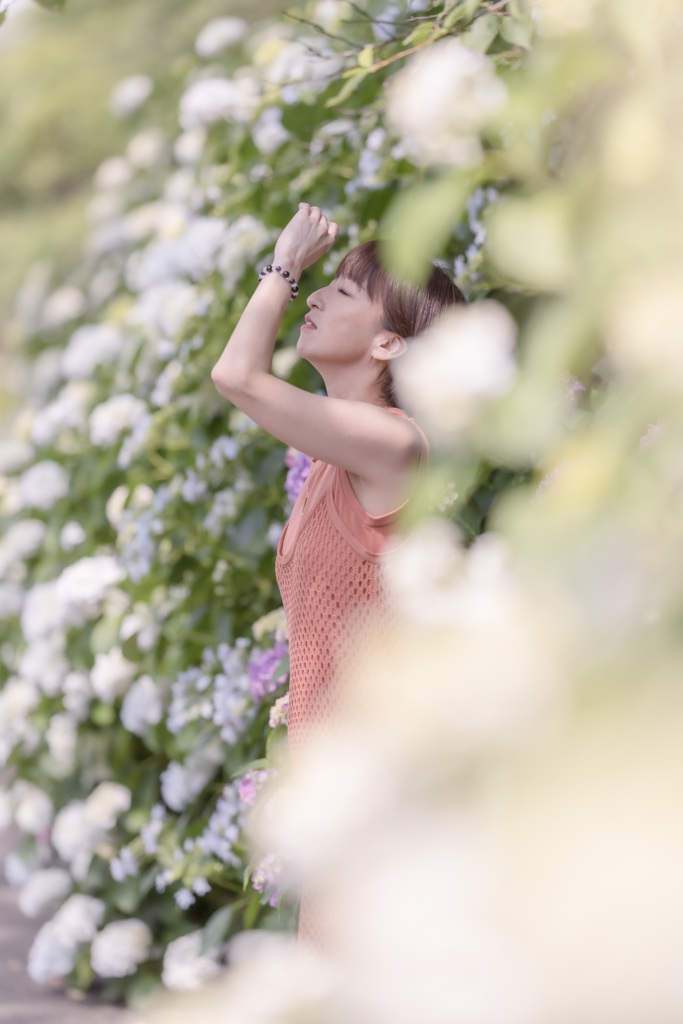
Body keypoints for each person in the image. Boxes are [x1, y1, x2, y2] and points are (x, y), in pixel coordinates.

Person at [211, 202, 466, 949]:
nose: (315, 297)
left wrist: (285, 264)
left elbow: (237, 375)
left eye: (343, 292)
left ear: (389, 342)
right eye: (317, 286)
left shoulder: (393, 444)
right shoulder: (330, 460)